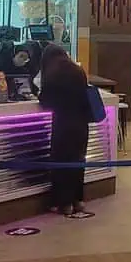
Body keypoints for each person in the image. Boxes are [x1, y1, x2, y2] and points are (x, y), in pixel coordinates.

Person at [39, 44, 93, 215]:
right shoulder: (78, 70)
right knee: (78, 161)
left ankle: (63, 203)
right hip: (81, 124)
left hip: (63, 124)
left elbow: (45, 101)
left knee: (60, 162)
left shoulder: (52, 73)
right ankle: (78, 200)